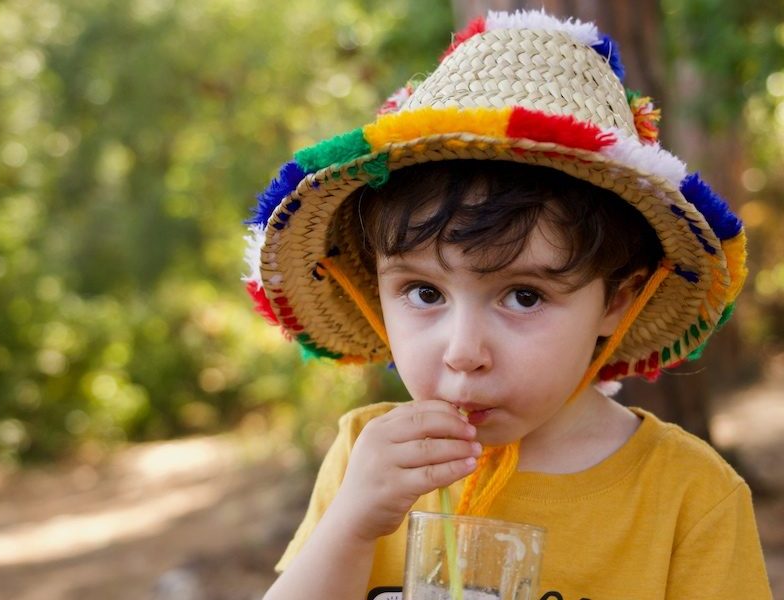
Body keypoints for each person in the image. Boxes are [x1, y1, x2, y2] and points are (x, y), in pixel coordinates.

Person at [244, 9, 772, 600]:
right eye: (424, 293)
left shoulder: (689, 498)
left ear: (616, 303)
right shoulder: (364, 459)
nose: (464, 352)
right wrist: (352, 523)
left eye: (524, 296)